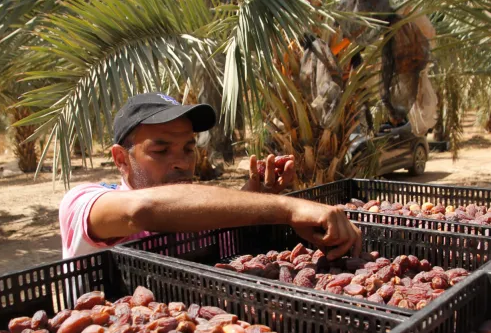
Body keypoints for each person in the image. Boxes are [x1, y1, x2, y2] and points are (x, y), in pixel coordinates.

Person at [59, 92, 361, 260]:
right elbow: (142, 210)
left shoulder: (198, 212)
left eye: (189, 148)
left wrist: (256, 195)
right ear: (121, 158)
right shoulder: (83, 202)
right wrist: (288, 209)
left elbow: (201, 217)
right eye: (161, 151)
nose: (181, 162)